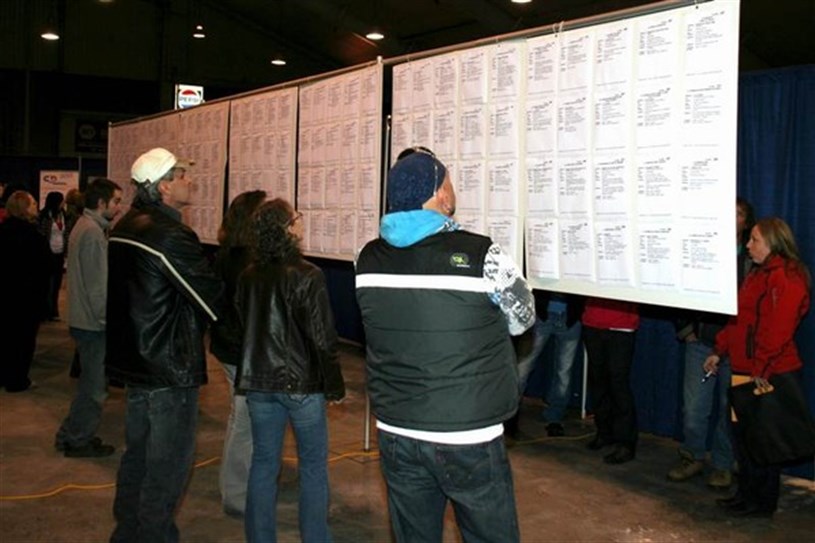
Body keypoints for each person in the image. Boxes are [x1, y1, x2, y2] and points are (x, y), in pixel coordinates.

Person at [355, 148, 535, 543]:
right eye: (448, 181)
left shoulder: (366, 259)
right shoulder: (481, 255)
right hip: (467, 434)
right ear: (439, 193)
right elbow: (523, 319)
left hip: (396, 428)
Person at [106, 147, 222, 543]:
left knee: (137, 457)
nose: (192, 180)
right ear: (164, 186)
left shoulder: (124, 226)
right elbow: (210, 299)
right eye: (183, 175)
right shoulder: (170, 235)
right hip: (168, 368)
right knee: (167, 467)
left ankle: (126, 533)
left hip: (136, 364)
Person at [236, 198, 345, 543]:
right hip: (302, 387)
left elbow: (242, 323)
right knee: (313, 468)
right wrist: (335, 386)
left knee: (264, 464)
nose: (301, 222)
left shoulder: (249, 275)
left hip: (258, 384)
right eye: (296, 218)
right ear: (285, 228)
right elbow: (323, 337)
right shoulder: (307, 274)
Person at [705, 217, 810, 518]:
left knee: (764, 439)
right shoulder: (757, 274)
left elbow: (776, 332)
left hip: (767, 374)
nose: (748, 245)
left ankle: (761, 503)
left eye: (754, 240)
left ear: (773, 243)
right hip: (744, 371)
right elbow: (739, 319)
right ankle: (746, 494)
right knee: (743, 436)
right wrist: (719, 350)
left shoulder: (786, 277)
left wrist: (758, 372)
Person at [667, 198, 755, 487]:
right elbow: (679, 286)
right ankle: (692, 456)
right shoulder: (702, 247)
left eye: (739, 214)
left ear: (746, 221)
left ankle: (722, 464)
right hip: (701, 343)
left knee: (730, 411)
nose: (733, 218)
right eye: (728, 212)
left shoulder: (753, 259)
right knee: (693, 409)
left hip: (738, 350)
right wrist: (686, 331)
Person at [53, 179, 122, 457]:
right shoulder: (93, 233)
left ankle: (69, 434)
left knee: (89, 385)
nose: (119, 208)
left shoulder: (85, 225)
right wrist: (107, 320)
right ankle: (78, 440)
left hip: (83, 320)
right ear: (102, 203)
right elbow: (97, 286)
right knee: (94, 389)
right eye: (116, 202)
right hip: (92, 324)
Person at [209, 189, 266, 518]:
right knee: (243, 421)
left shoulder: (227, 253)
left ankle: (241, 487)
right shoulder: (247, 261)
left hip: (230, 347)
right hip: (242, 351)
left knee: (242, 417)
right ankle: (236, 495)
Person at [509, 291, 583, 438]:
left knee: (564, 373)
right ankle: (509, 417)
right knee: (523, 368)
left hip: (570, 316)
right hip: (542, 314)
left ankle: (554, 418)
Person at [0, 191, 51, 392]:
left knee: (4, 337)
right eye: (33, 204)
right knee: (23, 341)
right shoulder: (34, 236)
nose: (36, 207)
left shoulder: (3, 231)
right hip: (26, 298)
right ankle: (17, 380)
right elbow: (44, 269)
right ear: (24, 207)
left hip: (4, 296)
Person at [582, 297, 640, 465]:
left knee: (618, 384)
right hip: (592, 321)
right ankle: (604, 433)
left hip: (622, 324)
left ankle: (625, 443)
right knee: (598, 381)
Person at [38, 191, 68, 321]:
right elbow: (42, 234)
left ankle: (54, 311)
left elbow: (65, 232)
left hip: (60, 252)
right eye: (61, 200)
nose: (63, 203)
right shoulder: (44, 216)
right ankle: (45, 311)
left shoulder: (63, 215)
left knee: (56, 284)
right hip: (47, 253)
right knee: (46, 283)